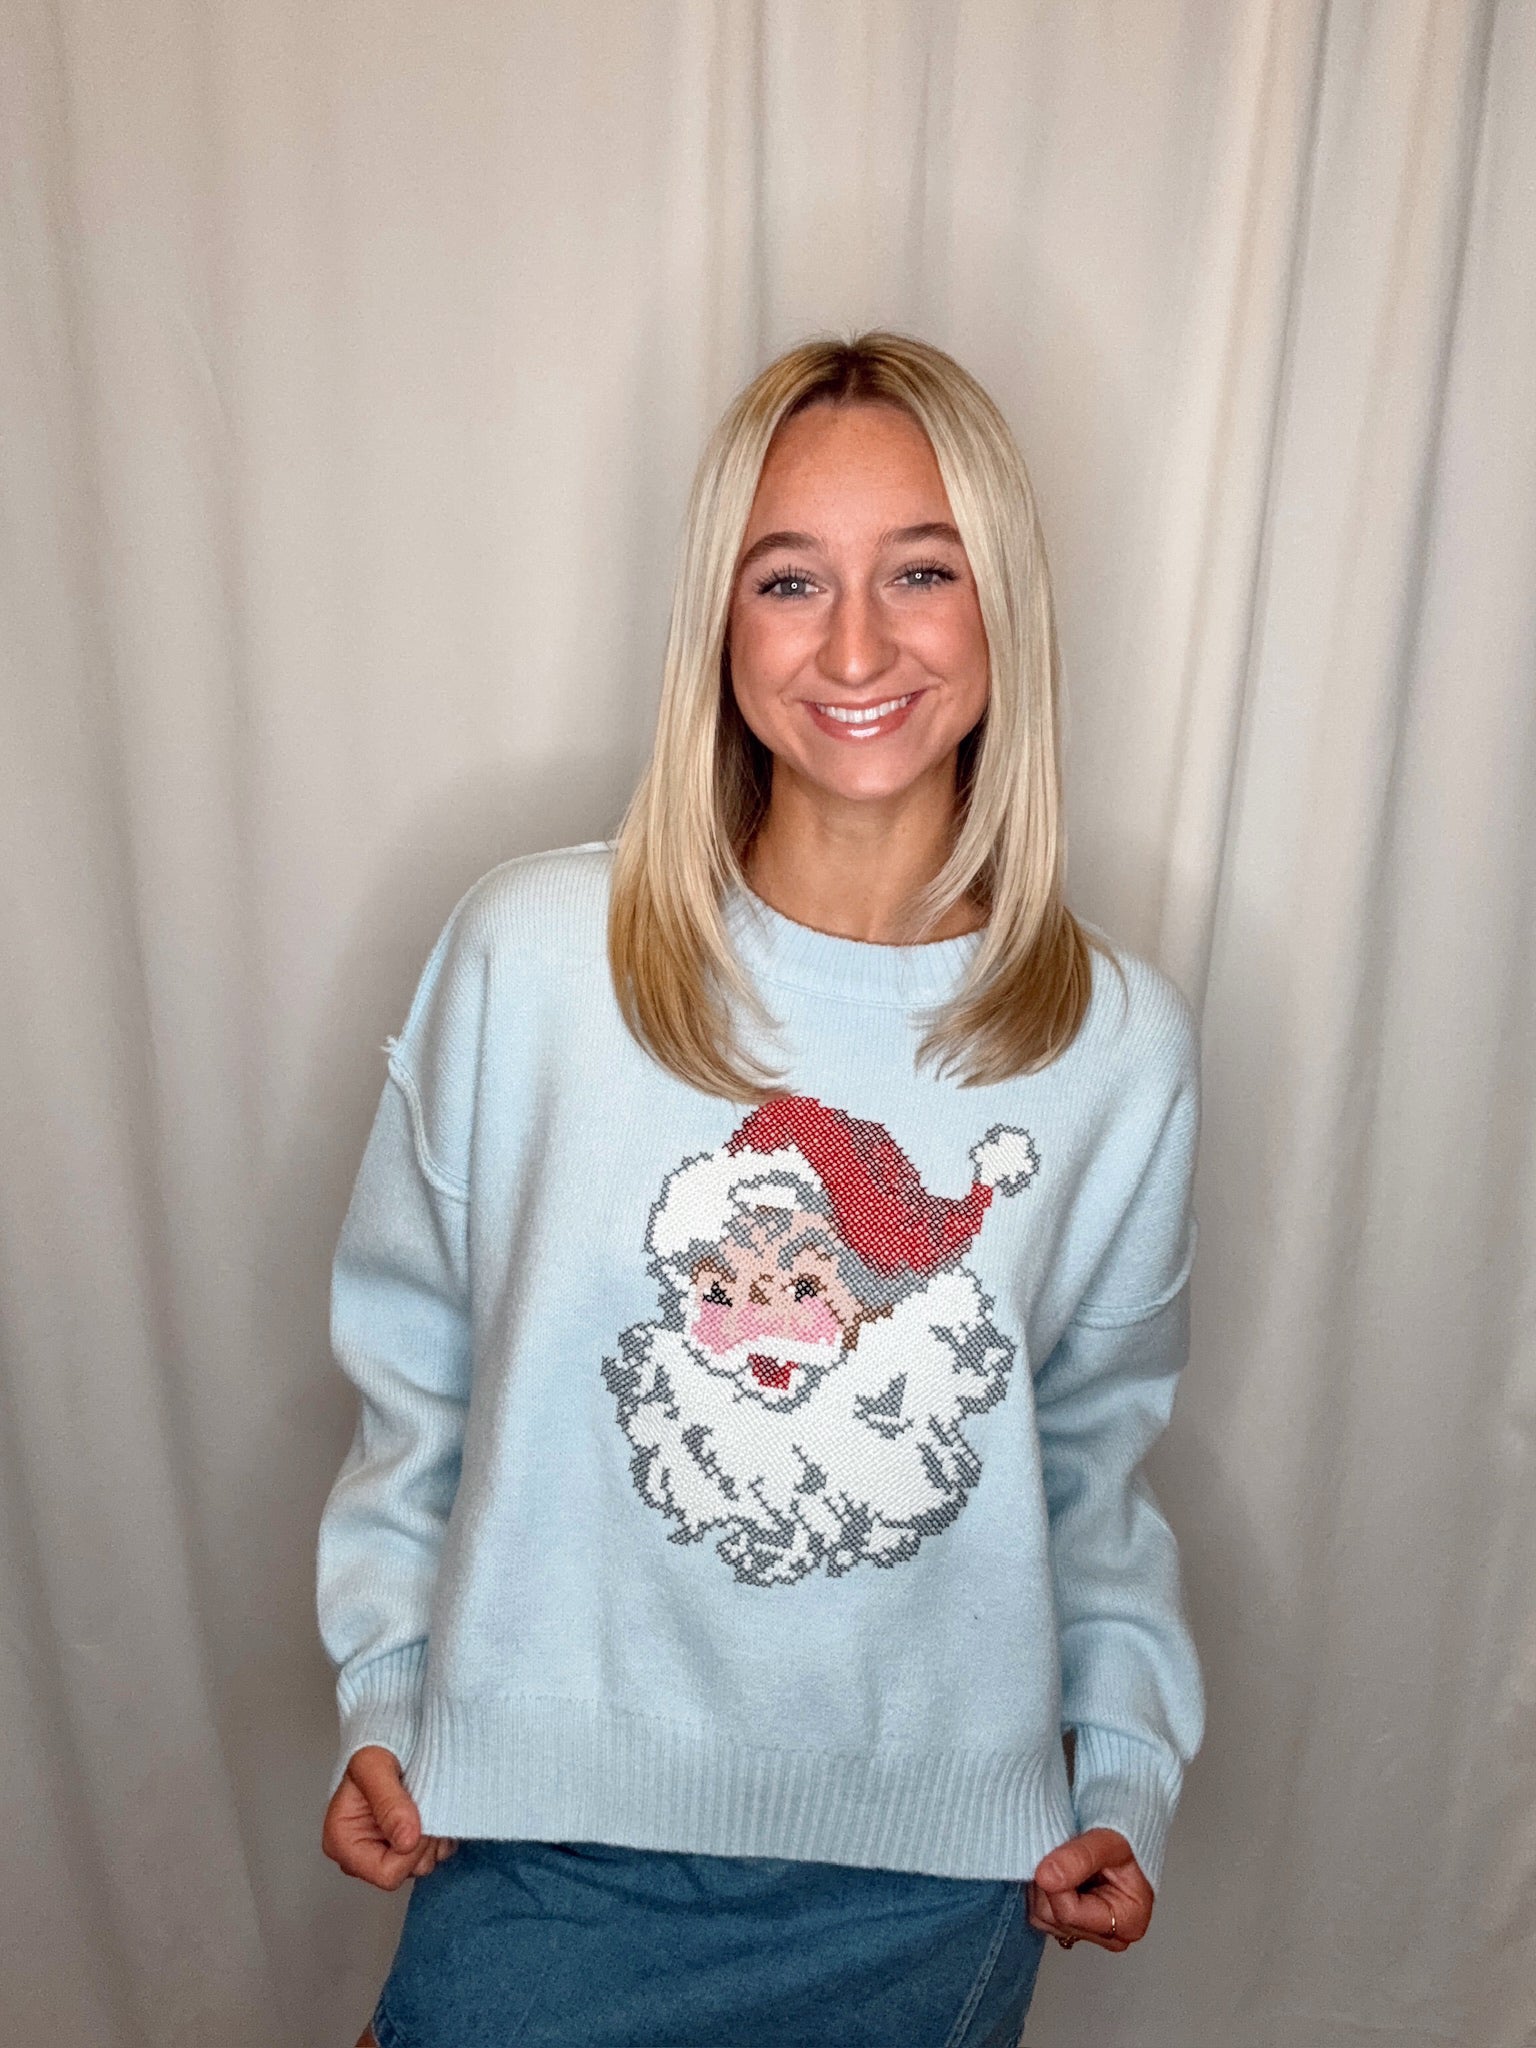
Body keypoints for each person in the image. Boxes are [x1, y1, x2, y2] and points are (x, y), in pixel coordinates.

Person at [317, 331, 1204, 2048]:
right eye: (790, 579)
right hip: (539, 1830)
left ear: (1003, 604)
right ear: (719, 626)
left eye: (922, 571)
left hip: (937, 1887)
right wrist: (384, 1682)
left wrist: (1125, 1771)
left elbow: (1093, 1463)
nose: (857, 647)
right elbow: (412, 1370)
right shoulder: (534, 958)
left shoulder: (1116, 1043)